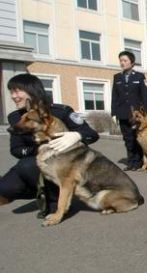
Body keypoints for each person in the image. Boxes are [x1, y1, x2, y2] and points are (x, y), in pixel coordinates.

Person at [0, 73, 99, 216]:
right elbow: (16, 150)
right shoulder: (15, 117)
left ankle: (57, 200)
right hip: (37, 160)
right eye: (11, 92)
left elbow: (91, 134)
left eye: (16, 91)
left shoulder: (61, 111)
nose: (13, 96)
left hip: (66, 163)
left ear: (31, 90)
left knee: (27, 166)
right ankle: (43, 191)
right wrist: (40, 148)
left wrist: (76, 135)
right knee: (6, 188)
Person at [111, 50, 147, 171]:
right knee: (127, 139)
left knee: (136, 138)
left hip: (136, 115)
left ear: (132, 63)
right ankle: (130, 162)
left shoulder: (139, 77)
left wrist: (146, 112)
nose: (122, 63)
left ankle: (138, 162)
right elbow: (114, 96)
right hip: (122, 113)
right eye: (121, 60)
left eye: (125, 60)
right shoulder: (117, 77)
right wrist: (113, 113)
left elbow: (144, 95)